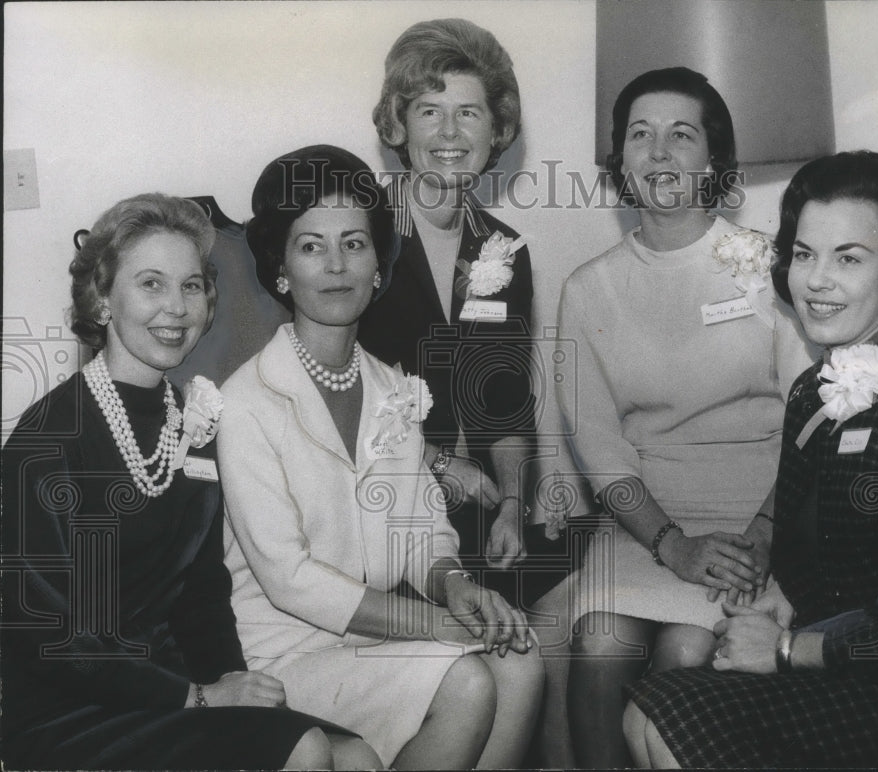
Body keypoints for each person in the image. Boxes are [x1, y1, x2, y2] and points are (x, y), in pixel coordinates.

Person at [623, 150, 878, 768]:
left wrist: (786, 648)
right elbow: (819, 546)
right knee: (644, 714)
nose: (815, 280)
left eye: (848, 258)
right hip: (844, 655)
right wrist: (785, 598)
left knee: (673, 724)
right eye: (803, 254)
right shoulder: (812, 392)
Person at [0, 193, 358, 770]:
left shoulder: (191, 425)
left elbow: (203, 595)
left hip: (173, 688)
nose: (176, 307)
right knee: (308, 753)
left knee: (356, 756)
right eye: (150, 284)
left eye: (191, 286)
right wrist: (199, 698)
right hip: (66, 713)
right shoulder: (48, 440)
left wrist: (233, 683)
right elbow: (52, 637)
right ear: (101, 298)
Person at [218, 145, 543, 770]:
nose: (336, 267)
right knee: (469, 681)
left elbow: (422, 529)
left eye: (354, 244)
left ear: (379, 266)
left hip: (369, 637)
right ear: (281, 268)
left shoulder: (393, 388)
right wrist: (431, 626)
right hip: (287, 654)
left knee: (523, 663)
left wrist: (454, 585)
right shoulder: (247, 403)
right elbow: (290, 580)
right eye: (311, 246)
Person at [556, 67, 815, 766]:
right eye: (641, 135)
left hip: (758, 520)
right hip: (645, 521)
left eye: (681, 134)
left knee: (688, 645)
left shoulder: (772, 268)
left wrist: (762, 534)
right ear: (620, 161)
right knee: (599, 643)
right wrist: (671, 545)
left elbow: (810, 422)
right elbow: (601, 448)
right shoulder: (588, 289)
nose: (660, 152)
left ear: (713, 159)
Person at [361, 17, 536, 588]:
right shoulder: (361, 236)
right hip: (375, 494)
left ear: (495, 131)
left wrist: (513, 502)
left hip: (477, 504)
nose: (449, 133)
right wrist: (437, 461)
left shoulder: (504, 250)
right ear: (399, 125)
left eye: (469, 112)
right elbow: (340, 389)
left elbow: (506, 396)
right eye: (429, 111)